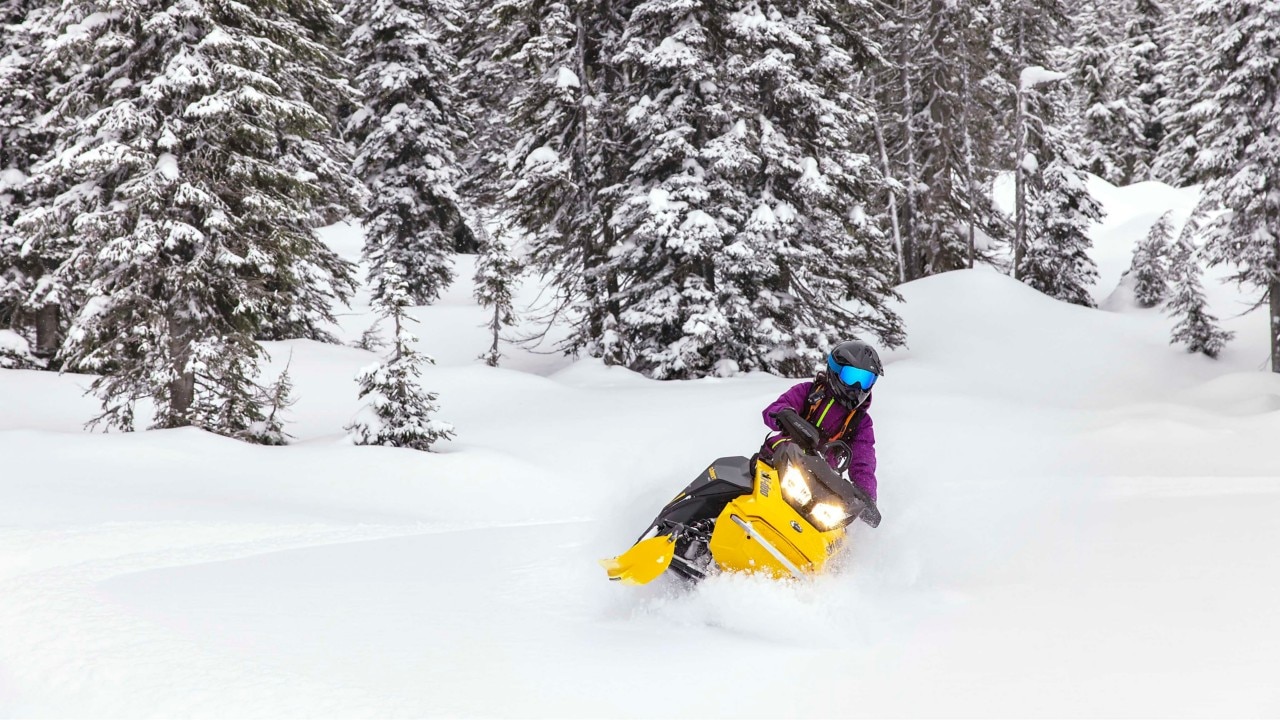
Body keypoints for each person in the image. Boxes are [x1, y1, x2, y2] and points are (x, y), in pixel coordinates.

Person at [761, 339, 881, 500]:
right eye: (852, 376)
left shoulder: (861, 422)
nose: (858, 386)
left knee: (831, 519)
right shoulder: (808, 391)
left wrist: (867, 495)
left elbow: (863, 460)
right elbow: (775, 409)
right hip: (777, 459)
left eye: (866, 380)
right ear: (835, 371)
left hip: (817, 480)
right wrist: (784, 415)